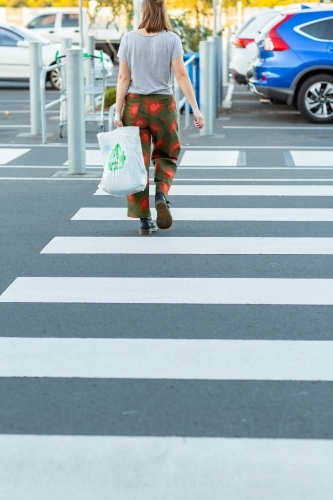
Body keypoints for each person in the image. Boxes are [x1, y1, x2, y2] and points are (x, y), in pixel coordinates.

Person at [114, 0, 204, 235]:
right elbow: (181, 75)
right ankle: (161, 193)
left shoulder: (129, 39)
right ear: (163, 11)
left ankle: (144, 220)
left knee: (137, 163)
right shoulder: (171, 39)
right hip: (163, 105)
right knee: (167, 153)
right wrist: (195, 108)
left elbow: (124, 78)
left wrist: (117, 111)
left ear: (143, 11)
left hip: (134, 106)